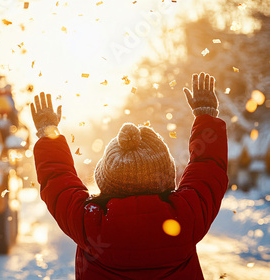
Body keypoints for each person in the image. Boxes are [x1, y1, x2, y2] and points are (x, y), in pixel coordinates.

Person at [30, 73, 227, 279]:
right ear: (166, 175)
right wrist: (206, 116)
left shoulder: (88, 222)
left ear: (106, 178)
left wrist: (49, 133)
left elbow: (58, 180)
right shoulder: (186, 214)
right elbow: (208, 168)